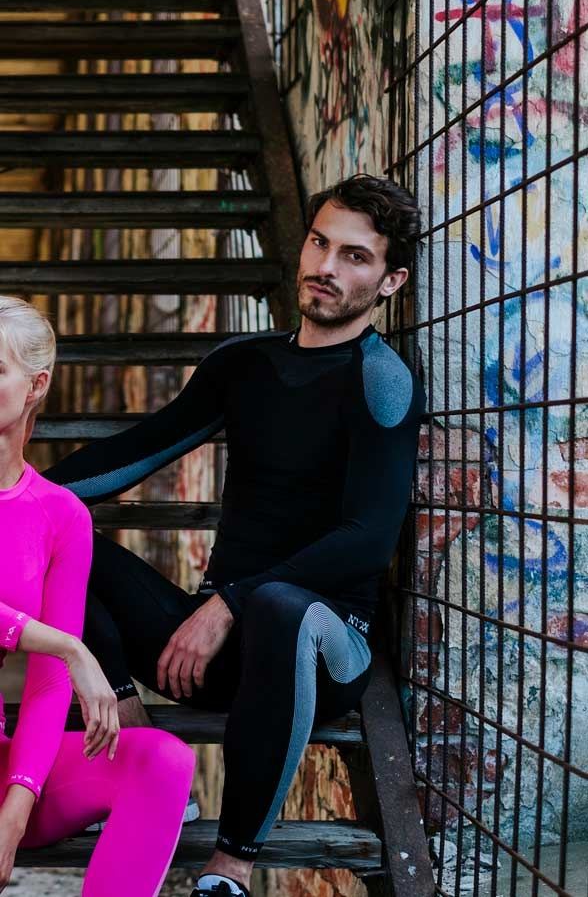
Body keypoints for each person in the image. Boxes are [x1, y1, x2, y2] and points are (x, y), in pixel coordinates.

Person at [44, 173, 427, 897]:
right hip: (211, 649)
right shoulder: (244, 364)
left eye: (353, 256)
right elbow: (138, 449)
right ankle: (134, 745)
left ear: (390, 281)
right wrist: (24, 503)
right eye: (319, 243)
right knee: (61, 533)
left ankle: (229, 870)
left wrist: (229, 603)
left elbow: (366, 540)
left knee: (280, 605)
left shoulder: (379, 380)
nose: (325, 266)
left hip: (321, 645)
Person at [0, 295, 196, 897]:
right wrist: (69, 645)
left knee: (162, 761)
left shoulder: (59, 514)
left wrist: (16, 809)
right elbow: (59, 653)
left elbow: (48, 687)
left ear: (36, 386)